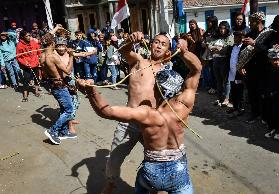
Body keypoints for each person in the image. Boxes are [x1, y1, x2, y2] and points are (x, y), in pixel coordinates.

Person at [77, 38, 201, 193]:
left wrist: (184, 51)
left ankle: (159, 184)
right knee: (114, 159)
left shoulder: (166, 71)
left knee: (157, 155)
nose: (158, 45)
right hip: (131, 121)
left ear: (169, 53)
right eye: (156, 42)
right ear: (150, 45)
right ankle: (110, 183)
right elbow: (124, 51)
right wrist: (130, 40)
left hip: (152, 123)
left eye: (163, 44)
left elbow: (196, 68)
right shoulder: (139, 62)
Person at [40, 25, 76, 145]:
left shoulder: (42, 56)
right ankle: (53, 130)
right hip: (59, 85)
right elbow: (68, 70)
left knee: (63, 108)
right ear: (53, 43)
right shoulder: (53, 57)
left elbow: (44, 73)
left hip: (52, 83)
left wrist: (55, 29)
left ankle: (64, 132)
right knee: (69, 110)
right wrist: (71, 56)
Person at [208, 21, 233, 106]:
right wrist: (216, 47)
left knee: (226, 81)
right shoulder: (216, 37)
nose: (222, 30)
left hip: (224, 60)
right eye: (221, 28)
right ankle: (219, 98)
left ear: (227, 29)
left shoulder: (229, 37)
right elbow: (209, 46)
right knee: (218, 80)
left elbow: (227, 49)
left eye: (224, 28)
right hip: (215, 60)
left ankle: (226, 98)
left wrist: (218, 49)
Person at [262, 48, 279, 140]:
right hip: (270, 96)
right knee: (271, 112)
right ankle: (274, 128)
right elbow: (265, 83)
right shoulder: (268, 69)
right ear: (269, 60)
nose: (276, 62)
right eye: (274, 60)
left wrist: (275, 93)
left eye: (278, 60)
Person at [16, 30, 41, 102]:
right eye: (27, 36)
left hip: (35, 64)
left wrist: (39, 60)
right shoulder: (19, 45)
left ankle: (36, 91)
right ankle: (25, 95)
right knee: (26, 80)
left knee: (36, 79)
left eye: (29, 35)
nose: (29, 37)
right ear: (22, 37)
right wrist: (24, 63)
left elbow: (38, 52)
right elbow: (18, 57)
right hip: (26, 66)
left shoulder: (34, 42)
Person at [227, 31, 246, 117]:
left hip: (239, 74)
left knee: (239, 92)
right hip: (232, 73)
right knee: (233, 91)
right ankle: (235, 107)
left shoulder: (245, 48)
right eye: (235, 37)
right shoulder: (232, 47)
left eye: (239, 37)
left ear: (243, 38)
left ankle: (240, 109)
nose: (236, 38)